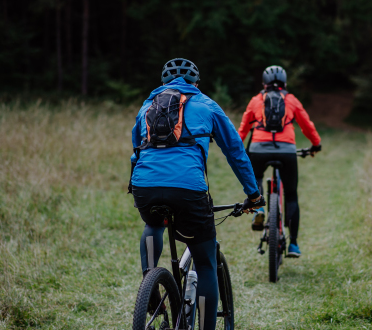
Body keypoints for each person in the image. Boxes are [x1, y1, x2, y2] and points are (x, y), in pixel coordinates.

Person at [129, 58, 264, 330]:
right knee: (205, 264)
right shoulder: (207, 105)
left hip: (145, 186)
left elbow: (137, 151)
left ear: (164, 83)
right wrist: (253, 195)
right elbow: (235, 152)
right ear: (196, 83)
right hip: (188, 190)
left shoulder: (147, 106)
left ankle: (149, 281)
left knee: (153, 222)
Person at [238, 65, 321, 258]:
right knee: (291, 195)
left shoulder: (256, 100)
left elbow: (242, 129)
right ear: (284, 83)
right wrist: (315, 144)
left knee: (256, 175)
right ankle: (293, 244)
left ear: (264, 84)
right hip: (286, 150)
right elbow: (307, 125)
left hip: (258, 148)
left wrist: (237, 149)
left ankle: (258, 207)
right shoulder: (291, 100)